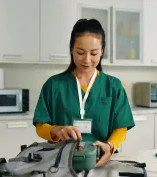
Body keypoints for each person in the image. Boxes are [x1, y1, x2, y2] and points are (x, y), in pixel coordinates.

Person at [33, 18, 135, 167]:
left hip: (100, 160)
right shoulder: (54, 85)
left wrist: (110, 146)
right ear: (71, 50)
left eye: (94, 53)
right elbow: (40, 126)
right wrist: (56, 130)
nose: (87, 60)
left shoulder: (113, 86)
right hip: (61, 162)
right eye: (80, 52)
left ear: (102, 52)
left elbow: (121, 127)